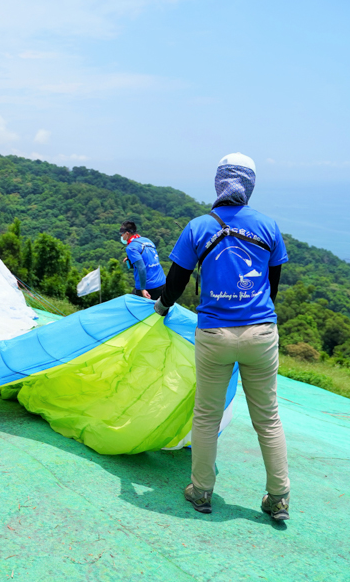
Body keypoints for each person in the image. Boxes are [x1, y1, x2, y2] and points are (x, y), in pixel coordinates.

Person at [152, 153, 290, 521]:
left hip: (214, 334)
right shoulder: (268, 227)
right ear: (250, 185)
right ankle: (278, 498)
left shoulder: (198, 226)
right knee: (269, 419)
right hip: (261, 333)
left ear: (219, 183)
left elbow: (177, 281)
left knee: (207, 416)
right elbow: (272, 285)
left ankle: (201, 491)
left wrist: (162, 308)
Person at [120, 221, 166, 300]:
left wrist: (143, 289)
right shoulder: (147, 240)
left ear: (127, 234)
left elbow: (141, 267)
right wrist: (131, 259)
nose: (121, 236)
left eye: (122, 234)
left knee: (133, 307)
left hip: (149, 287)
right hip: (163, 283)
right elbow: (149, 258)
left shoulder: (131, 247)